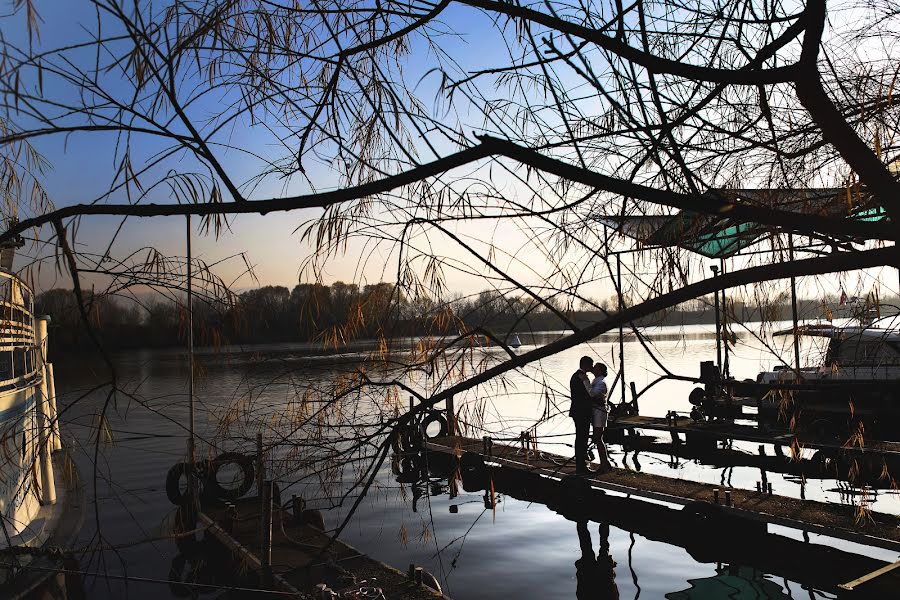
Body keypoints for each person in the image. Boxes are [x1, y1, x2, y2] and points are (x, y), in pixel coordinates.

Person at [569, 355, 594, 474]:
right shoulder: (582, 376)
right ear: (585, 365)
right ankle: (581, 466)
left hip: (577, 411)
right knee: (582, 438)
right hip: (582, 411)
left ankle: (581, 463)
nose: (592, 367)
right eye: (591, 365)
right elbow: (590, 393)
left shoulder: (576, 376)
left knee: (581, 437)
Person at [589, 363, 612, 472]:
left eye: (596, 367)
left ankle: (604, 463)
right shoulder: (596, 381)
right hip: (596, 411)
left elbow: (592, 394)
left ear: (600, 371)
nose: (593, 368)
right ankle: (605, 462)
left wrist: (584, 383)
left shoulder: (601, 383)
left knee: (598, 438)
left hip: (600, 412)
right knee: (598, 438)